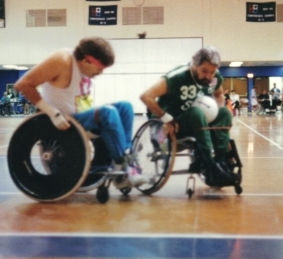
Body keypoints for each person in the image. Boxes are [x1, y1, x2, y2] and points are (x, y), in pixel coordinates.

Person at [14, 37, 148, 189]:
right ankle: (121, 171)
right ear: (85, 61)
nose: (100, 73)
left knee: (125, 107)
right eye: (99, 69)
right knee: (107, 112)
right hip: (62, 122)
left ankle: (127, 158)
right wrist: (52, 113)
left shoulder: (84, 68)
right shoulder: (62, 60)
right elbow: (23, 85)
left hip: (80, 118)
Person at [140, 46, 240, 187]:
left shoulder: (214, 78)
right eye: (204, 71)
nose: (208, 76)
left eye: (212, 72)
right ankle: (210, 167)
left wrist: (215, 110)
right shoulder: (176, 77)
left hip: (196, 124)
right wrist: (166, 119)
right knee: (196, 113)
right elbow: (146, 96)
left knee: (224, 113)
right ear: (194, 63)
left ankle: (220, 163)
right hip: (170, 127)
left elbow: (219, 95)